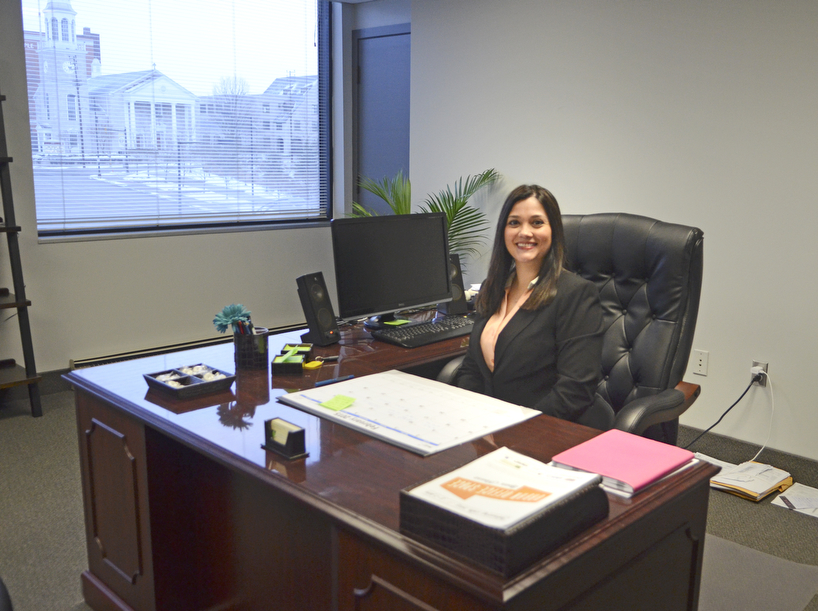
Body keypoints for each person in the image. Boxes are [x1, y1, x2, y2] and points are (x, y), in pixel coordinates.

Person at [455, 184, 604, 422]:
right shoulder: (492, 287)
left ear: (553, 230)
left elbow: (574, 391)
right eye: (514, 223)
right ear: (503, 231)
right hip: (489, 425)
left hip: (546, 428)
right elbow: (473, 368)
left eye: (536, 223)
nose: (525, 232)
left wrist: (516, 428)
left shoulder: (576, 294)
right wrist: (463, 417)